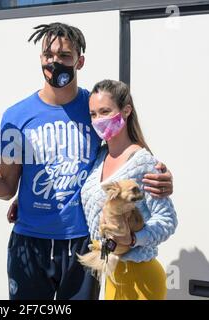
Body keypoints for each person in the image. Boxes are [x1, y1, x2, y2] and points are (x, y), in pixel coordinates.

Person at [0, 22, 173, 300]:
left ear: (79, 61)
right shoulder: (16, 116)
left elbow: (123, 155)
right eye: (48, 55)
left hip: (83, 246)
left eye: (64, 56)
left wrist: (162, 180)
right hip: (29, 244)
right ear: (40, 58)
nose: (54, 62)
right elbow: (5, 187)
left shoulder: (93, 110)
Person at [81, 79, 178, 300]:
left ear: (126, 111)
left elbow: (167, 220)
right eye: (93, 114)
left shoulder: (143, 162)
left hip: (140, 276)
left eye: (105, 111)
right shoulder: (98, 158)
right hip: (113, 274)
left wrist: (134, 239)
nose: (98, 120)